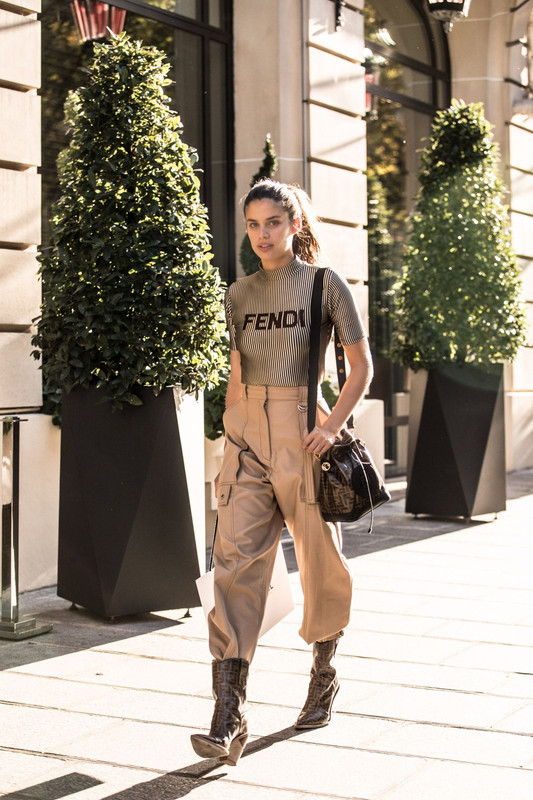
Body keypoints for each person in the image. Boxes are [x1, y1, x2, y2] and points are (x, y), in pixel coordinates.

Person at [190, 179, 373, 765]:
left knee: (320, 563)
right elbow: (237, 372)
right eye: (253, 224)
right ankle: (228, 715)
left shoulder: (325, 284)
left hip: (304, 434)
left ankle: (323, 673)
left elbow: (361, 367)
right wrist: (230, 439)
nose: (262, 234)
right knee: (234, 564)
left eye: (273, 222)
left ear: (295, 224)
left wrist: (332, 426)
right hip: (247, 436)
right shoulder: (238, 293)